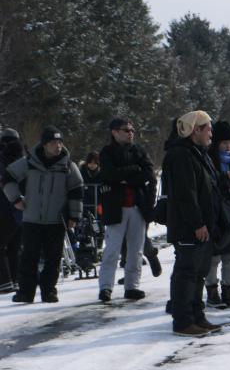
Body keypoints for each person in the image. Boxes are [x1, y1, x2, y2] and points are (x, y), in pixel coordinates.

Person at [3, 126, 83, 303]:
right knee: (28, 257)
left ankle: (49, 291)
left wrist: (74, 216)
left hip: (56, 219)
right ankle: (25, 292)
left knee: (53, 258)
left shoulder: (68, 166)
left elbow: (77, 190)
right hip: (32, 219)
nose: (58, 146)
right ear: (45, 144)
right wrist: (15, 199)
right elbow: (8, 177)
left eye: (60, 142)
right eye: (54, 142)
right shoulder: (29, 162)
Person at [162, 110, 222, 336]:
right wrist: (197, 223)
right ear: (195, 130)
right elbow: (186, 194)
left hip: (202, 226)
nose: (211, 134)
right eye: (208, 129)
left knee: (198, 273)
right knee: (186, 273)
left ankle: (197, 316)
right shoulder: (181, 155)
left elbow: (206, 187)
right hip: (189, 227)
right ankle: (183, 321)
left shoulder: (198, 153)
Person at [97, 118, 156, 302]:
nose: (130, 133)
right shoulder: (107, 152)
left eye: (132, 130)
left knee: (136, 250)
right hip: (116, 207)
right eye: (126, 130)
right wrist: (133, 170)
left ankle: (132, 286)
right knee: (112, 250)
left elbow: (148, 173)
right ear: (114, 132)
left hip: (137, 206)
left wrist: (126, 178)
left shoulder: (139, 150)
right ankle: (106, 287)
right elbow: (109, 174)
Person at [206, 120, 230, 310]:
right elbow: (208, 186)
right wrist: (225, 180)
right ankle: (212, 293)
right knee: (214, 256)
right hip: (216, 213)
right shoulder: (209, 160)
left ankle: (229, 291)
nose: (229, 146)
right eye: (224, 143)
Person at [0, 128, 25, 293]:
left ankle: (4, 282)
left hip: (5, 208)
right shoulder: (24, 160)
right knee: (15, 248)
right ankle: (15, 280)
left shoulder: (2, 160)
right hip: (23, 209)